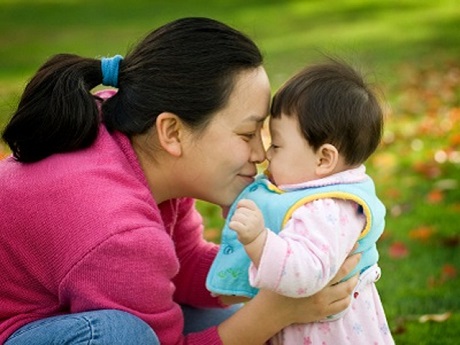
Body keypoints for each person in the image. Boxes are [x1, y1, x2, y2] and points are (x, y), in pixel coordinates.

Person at [0, 18, 361, 345]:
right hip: (25, 330)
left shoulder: (138, 145)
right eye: (248, 133)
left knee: (244, 323)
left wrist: (279, 267)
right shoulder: (118, 230)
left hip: (59, 319)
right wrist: (275, 311)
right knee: (125, 337)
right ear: (172, 131)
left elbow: (184, 263)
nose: (261, 154)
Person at [207, 58, 395, 344]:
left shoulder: (327, 208)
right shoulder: (310, 196)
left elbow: (304, 275)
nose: (268, 154)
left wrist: (258, 239)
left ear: (324, 159)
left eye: (278, 145)